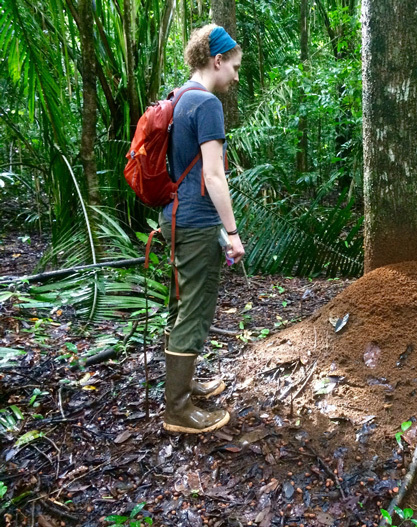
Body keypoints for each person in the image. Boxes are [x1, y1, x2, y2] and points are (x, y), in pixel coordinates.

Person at [159, 24, 245, 434]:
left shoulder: (177, 98)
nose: (235, 75)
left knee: (181, 303)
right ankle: (177, 409)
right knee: (193, 310)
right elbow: (214, 176)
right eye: (234, 66)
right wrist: (232, 232)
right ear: (217, 60)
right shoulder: (207, 104)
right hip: (196, 221)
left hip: (173, 216)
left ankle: (184, 387)